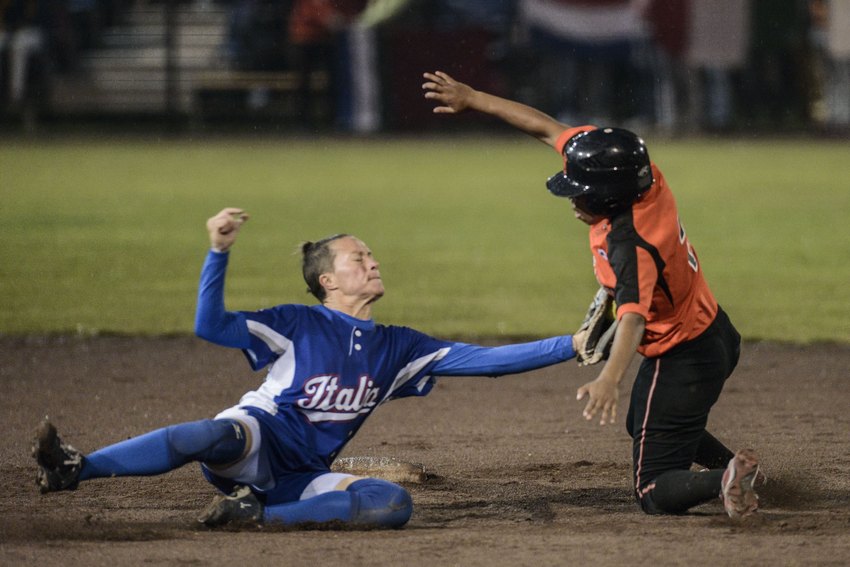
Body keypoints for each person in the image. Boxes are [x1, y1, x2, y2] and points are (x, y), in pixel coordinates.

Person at [33, 207, 583, 529]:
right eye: (358, 258)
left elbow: (490, 362)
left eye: (371, 256)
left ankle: (253, 517)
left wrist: (575, 344)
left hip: (302, 476)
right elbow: (210, 325)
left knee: (393, 505)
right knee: (211, 432)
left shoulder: (400, 347)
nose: (373, 263)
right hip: (255, 441)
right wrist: (217, 252)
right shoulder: (297, 323)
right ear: (329, 281)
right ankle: (77, 469)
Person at [422, 70, 762, 519]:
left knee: (653, 490)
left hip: (684, 358)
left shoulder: (631, 244)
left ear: (609, 197)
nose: (572, 200)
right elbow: (546, 128)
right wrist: (473, 97)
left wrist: (610, 379)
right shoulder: (637, 173)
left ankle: (724, 480)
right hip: (715, 330)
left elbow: (634, 319)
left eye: (580, 194)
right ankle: (742, 473)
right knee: (639, 423)